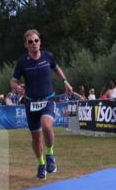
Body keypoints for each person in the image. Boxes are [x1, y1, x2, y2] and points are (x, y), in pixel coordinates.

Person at [10, 29, 72, 180]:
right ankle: (41, 164)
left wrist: (65, 82)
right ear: (26, 45)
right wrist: (16, 87)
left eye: (36, 40)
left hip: (48, 100)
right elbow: (13, 80)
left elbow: (57, 69)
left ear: (40, 42)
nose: (34, 44)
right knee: (36, 138)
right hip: (30, 102)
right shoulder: (22, 61)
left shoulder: (48, 56)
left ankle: (50, 154)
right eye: (30, 42)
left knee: (46, 125)